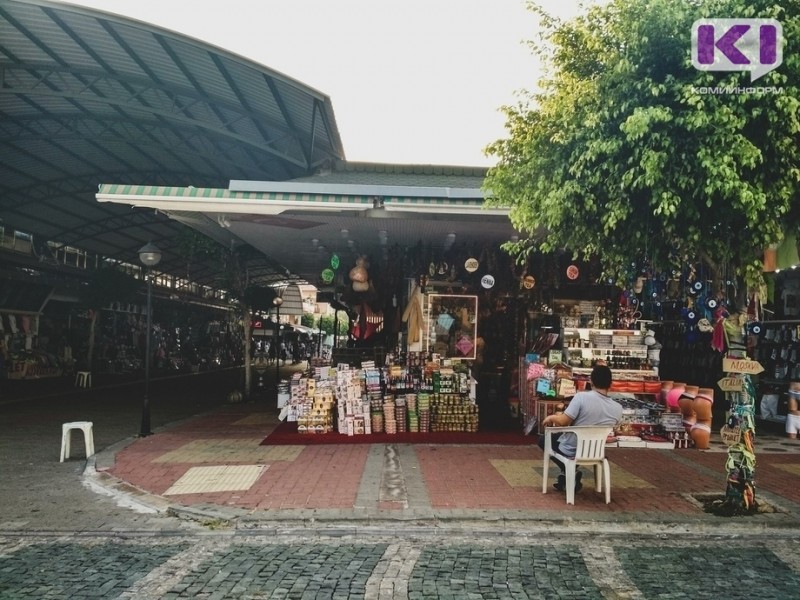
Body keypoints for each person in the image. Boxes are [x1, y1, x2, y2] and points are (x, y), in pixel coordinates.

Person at [540, 364, 622, 493]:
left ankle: (569, 471)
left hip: (571, 448)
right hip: (596, 451)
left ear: (591, 381)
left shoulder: (581, 397)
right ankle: (567, 476)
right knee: (565, 444)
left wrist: (551, 417)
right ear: (611, 383)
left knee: (543, 439)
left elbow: (563, 422)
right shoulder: (618, 408)